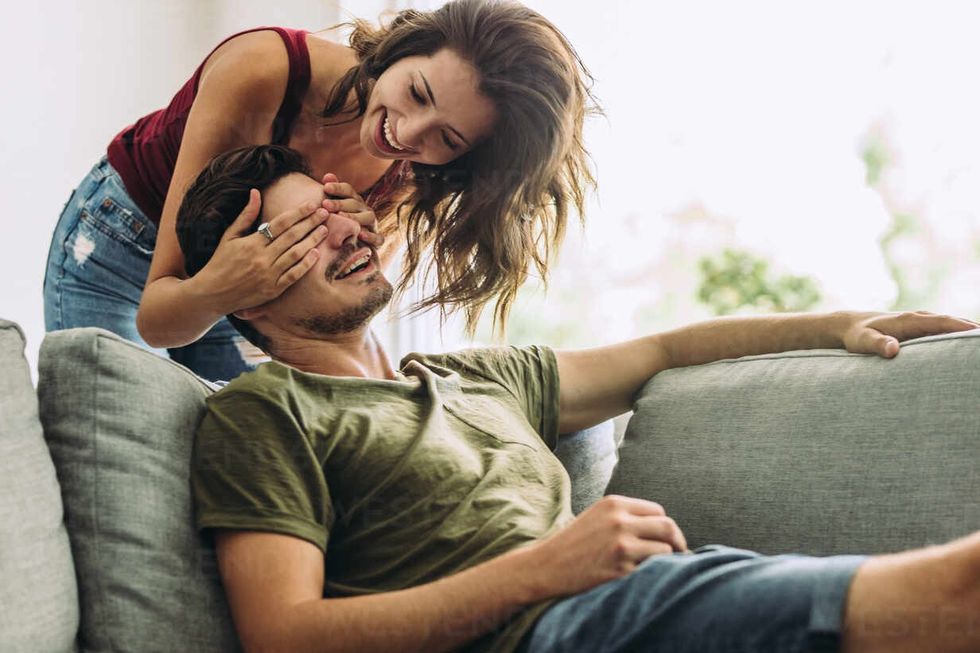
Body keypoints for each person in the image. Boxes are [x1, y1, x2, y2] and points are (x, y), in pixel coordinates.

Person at [183, 145, 980, 653]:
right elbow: (282, 634)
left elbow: (666, 350)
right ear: (242, 293)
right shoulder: (263, 412)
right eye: (297, 235)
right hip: (556, 628)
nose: (343, 234)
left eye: (334, 214)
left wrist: (839, 322)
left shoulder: (474, 378)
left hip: (650, 596)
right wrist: (542, 568)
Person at [44, 0, 596, 381]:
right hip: (122, 242)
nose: (405, 133)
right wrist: (219, 291)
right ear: (406, 46)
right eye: (416, 92)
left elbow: (328, 324)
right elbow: (159, 314)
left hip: (250, 288)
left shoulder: (419, 172)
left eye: (446, 137)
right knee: (119, 425)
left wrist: (362, 248)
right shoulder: (262, 70)